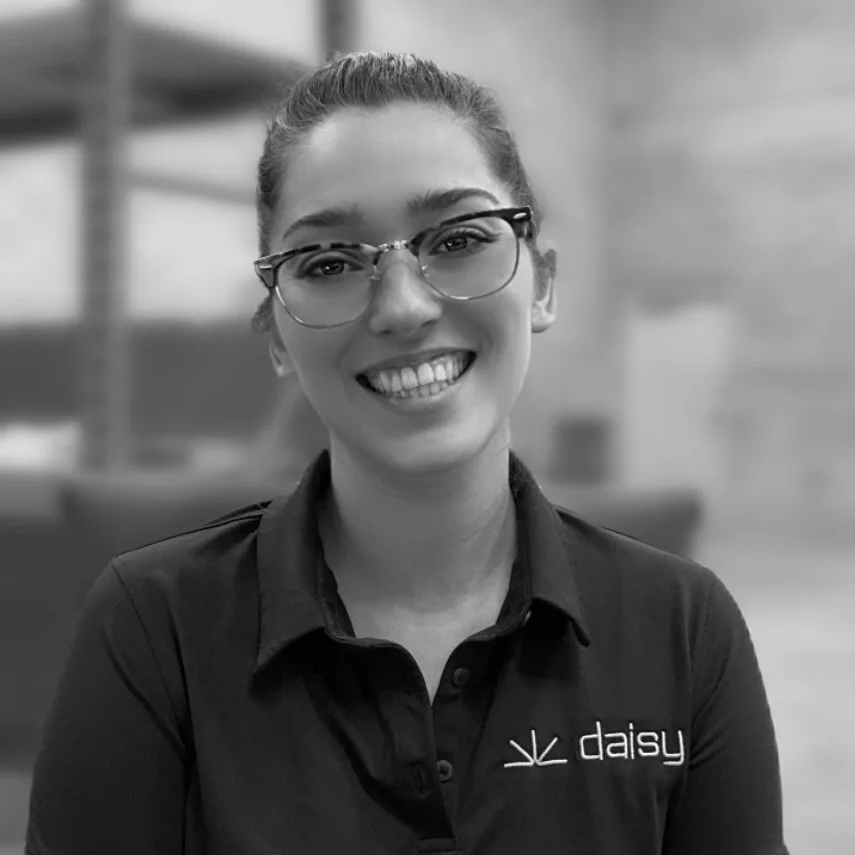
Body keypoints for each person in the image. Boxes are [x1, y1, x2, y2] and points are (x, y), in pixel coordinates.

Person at [25, 52, 789, 854]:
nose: (402, 305)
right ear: (276, 334)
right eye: (328, 262)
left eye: (458, 238)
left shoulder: (683, 625)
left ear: (543, 286)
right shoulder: (154, 628)